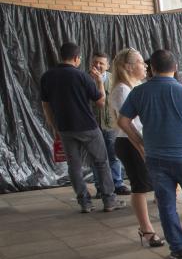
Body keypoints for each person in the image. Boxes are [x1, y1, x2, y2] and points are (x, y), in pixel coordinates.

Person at [117, 49, 182, 259]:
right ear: (175, 68)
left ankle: (177, 250)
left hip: (155, 158)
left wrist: (139, 140)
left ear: (152, 69)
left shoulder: (139, 92)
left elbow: (123, 121)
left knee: (166, 204)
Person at [40, 42, 122, 214]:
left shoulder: (47, 76)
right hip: (88, 127)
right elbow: (100, 102)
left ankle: (84, 203)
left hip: (65, 129)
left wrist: (55, 127)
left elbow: (46, 106)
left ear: (60, 56)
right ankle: (109, 200)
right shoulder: (82, 76)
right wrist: (99, 82)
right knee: (101, 162)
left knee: (74, 166)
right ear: (77, 58)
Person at [108, 48, 163, 248]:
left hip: (140, 140)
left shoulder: (136, 87)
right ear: (129, 67)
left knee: (147, 185)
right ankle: (147, 230)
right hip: (130, 142)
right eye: (141, 62)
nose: (145, 65)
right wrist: (140, 144)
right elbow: (127, 123)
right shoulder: (122, 90)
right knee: (140, 187)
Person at [88, 51, 130, 197]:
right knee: (96, 157)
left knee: (114, 156)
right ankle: (100, 187)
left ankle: (117, 183)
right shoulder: (85, 79)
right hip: (92, 124)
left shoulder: (115, 80)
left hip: (111, 124)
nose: (98, 65)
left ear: (107, 65)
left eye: (101, 63)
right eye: (95, 62)